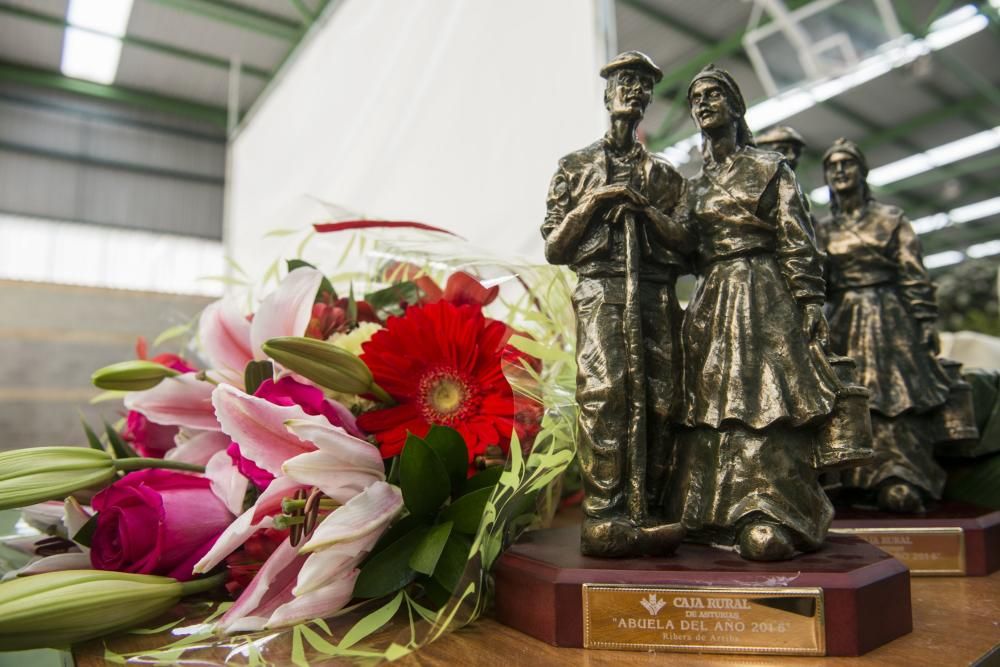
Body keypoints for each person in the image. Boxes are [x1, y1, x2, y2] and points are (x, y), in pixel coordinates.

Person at [662, 65, 841, 561]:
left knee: (764, 402)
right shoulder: (692, 187)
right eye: (696, 97)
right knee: (708, 406)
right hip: (712, 296)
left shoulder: (770, 168)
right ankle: (704, 512)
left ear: (736, 107)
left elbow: (797, 239)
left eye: (714, 94)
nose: (703, 103)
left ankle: (770, 509)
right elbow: (681, 247)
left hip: (764, 293)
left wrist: (809, 301)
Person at [542, 51, 691, 557]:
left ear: (649, 99)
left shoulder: (665, 176)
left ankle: (650, 508)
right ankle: (606, 513)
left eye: (641, 85)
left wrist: (645, 210)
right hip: (601, 287)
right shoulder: (575, 166)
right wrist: (595, 202)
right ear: (607, 96)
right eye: (622, 82)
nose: (631, 91)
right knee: (605, 394)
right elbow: (555, 247)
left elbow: (688, 244)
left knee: (662, 398)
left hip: (654, 291)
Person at [816, 138, 973, 512]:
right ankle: (851, 476)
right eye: (832, 165)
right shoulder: (822, 229)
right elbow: (817, 278)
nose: (840, 170)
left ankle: (903, 474)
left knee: (898, 397)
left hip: (890, 315)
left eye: (847, 163)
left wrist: (923, 319)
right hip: (844, 317)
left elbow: (913, 273)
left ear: (862, 171)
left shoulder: (891, 219)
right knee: (851, 397)